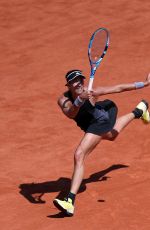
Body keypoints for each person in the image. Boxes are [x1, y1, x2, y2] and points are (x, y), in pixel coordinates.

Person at [53, 69, 150, 216]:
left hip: (102, 118)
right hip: (89, 125)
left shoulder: (92, 93)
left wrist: (145, 83)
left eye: (80, 79)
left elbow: (119, 88)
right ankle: (139, 110)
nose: (78, 83)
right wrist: (79, 100)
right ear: (68, 85)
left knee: (79, 154)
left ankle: (69, 202)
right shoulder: (63, 100)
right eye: (74, 80)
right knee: (111, 135)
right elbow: (71, 113)